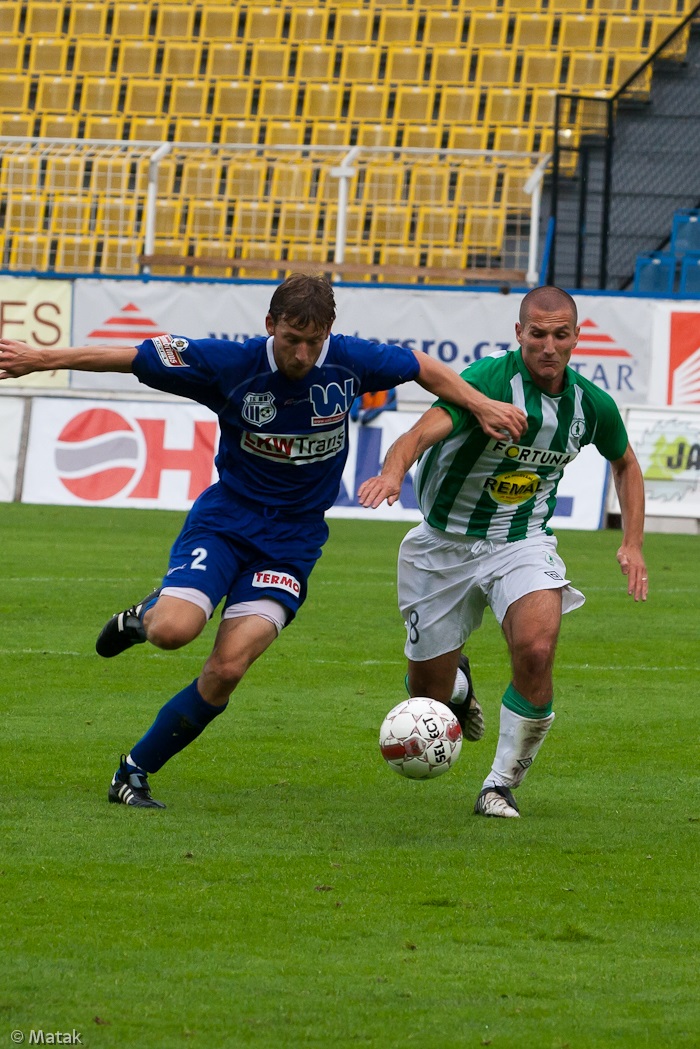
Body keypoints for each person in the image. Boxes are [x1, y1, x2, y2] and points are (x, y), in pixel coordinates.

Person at [0, 273, 527, 810]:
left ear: (329, 333)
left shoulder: (347, 360)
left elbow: (423, 365)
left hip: (292, 543)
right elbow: (129, 356)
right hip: (227, 522)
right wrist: (40, 359)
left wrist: (480, 404)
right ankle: (147, 617)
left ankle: (132, 772)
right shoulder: (228, 364)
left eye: (313, 342)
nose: (302, 353)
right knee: (174, 632)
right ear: (270, 324)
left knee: (227, 669)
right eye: (291, 339)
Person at [358, 285, 648, 819]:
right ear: (519, 334)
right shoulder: (487, 383)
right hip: (441, 548)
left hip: (522, 541)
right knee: (429, 696)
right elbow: (418, 434)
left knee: (537, 649)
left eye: (561, 335)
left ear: (576, 337)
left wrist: (631, 542)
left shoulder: (590, 405)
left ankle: (500, 784)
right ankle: (459, 686)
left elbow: (625, 462)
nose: (549, 346)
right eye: (537, 334)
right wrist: (392, 473)